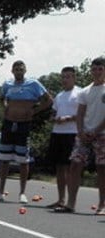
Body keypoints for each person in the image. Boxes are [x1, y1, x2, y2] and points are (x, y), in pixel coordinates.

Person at [0, 60, 52, 203]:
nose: (18, 71)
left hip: (24, 124)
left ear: (25, 70)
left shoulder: (33, 84)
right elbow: (1, 98)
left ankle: (22, 193)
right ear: (12, 71)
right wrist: (5, 106)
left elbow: (48, 100)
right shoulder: (8, 84)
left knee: (23, 160)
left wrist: (34, 111)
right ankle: (0, 191)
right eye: (16, 69)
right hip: (9, 123)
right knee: (4, 158)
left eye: (21, 69)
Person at [55, 57, 105, 214]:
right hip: (84, 134)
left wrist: (96, 131)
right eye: (94, 69)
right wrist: (81, 132)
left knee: (102, 168)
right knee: (75, 165)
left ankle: (102, 205)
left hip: (102, 133)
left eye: (100, 69)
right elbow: (80, 113)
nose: (96, 72)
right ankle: (70, 203)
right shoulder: (85, 91)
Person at [46, 67, 81, 209]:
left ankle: (70, 201)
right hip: (57, 133)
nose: (65, 80)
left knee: (70, 168)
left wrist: (68, 118)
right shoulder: (59, 96)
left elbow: (82, 114)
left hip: (72, 133)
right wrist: (55, 119)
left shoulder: (79, 93)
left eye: (68, 77)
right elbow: (52, 114)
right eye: (63, 77)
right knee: (60, 167)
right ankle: (61, 199)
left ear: (74, 78)